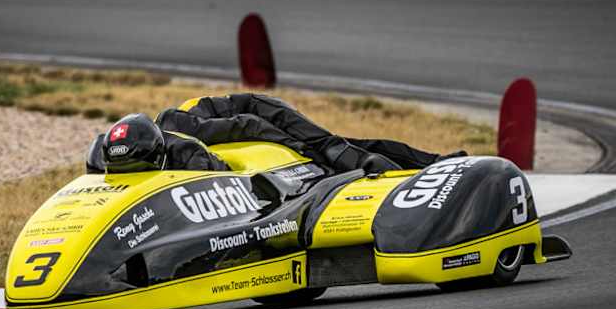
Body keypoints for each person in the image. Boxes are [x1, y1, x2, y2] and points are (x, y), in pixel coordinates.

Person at [155, 93, 462, 173]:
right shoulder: (152, 147)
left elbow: (250, 124)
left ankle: (429, 167)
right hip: (240, 119)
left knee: (333, 150)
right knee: (341, 147)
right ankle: (432, 161)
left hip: (260, 110)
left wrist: (300, 150)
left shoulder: (190, 135)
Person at [86, 113, 229, 173]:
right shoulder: (98, 157)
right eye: (119, 171)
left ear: (157, 158)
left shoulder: (189, 155)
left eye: (138, 169)